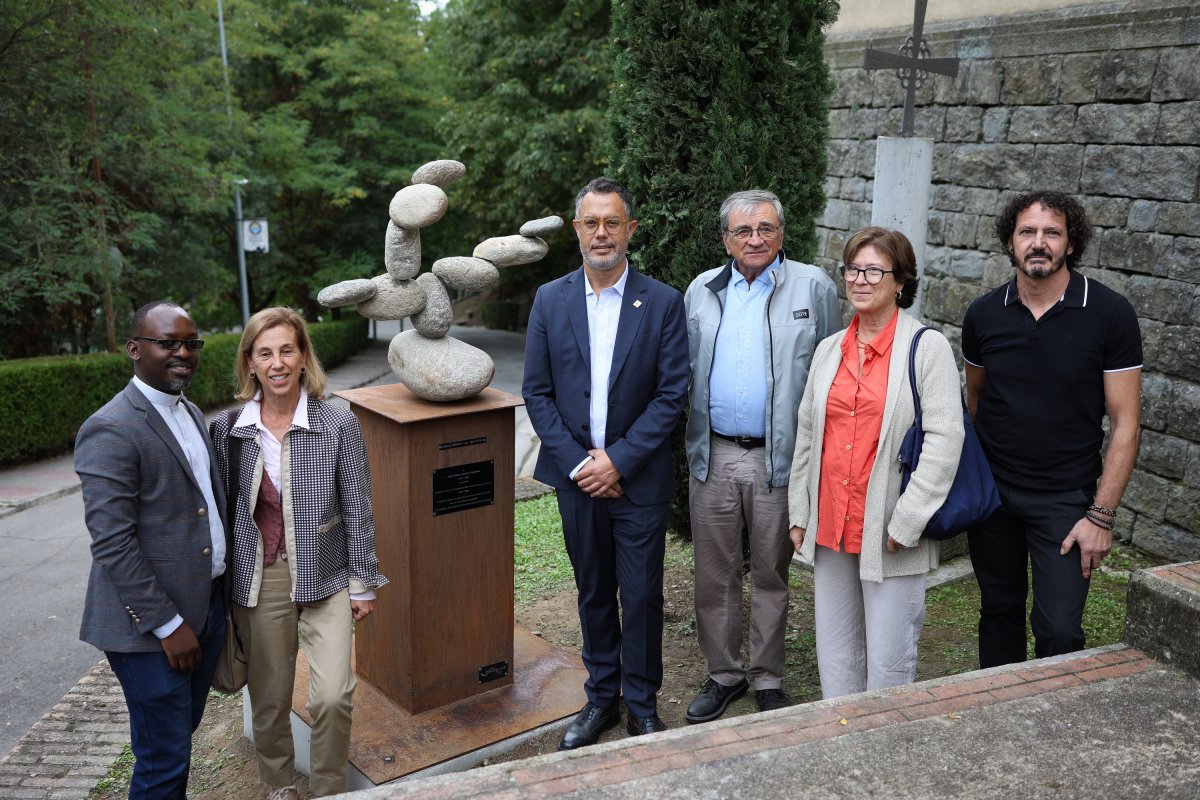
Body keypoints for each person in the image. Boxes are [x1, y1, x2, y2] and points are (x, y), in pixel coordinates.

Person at [523, 177, 690, 749]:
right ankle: (602, 699)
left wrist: (616, 462)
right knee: (593, 589)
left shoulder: (663, 302)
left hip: (637, 481)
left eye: (612, 222)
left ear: (630, 230)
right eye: (591, 223)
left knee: (641, 596)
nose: (601, 233)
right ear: (577, 230)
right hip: (577, 482)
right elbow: (537, 394)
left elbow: (672, 395)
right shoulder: (550, 299)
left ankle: (642, 706)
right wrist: (581, 466)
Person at [209, 307, 387, 799]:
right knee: (268, 700)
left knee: (332, 695)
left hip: (326, 575)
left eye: (287, 349)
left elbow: (358, 505)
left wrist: (363, 581)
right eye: (264, 353)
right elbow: (220, 513)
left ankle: (329, 789)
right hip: (259, 578)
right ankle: (280, 785)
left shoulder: (336, 421)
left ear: (304, 355)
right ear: (249, 362)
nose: (277, 362)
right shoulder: (228, 431)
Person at [962, 190, 1142, 668]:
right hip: (994, 500)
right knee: (998, 611)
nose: (1038, 243)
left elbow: (1126, 423)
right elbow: (976, 401)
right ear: (1010, 241)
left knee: (1060, 630)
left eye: (1051, 232)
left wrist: (1101, 517)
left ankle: (1054, 729)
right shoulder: (983, 314)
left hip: (1066, 500)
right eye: (1027, 232)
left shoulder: (1110, 314)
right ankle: (999, 711)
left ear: (1071, 242)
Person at [682, 189, 841, 722]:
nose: (756, 239)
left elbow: (833, 372)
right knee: (715, 574)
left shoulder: (814, 287)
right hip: (716, 456)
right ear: (725, 238)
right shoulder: (701, 290)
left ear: (781, 233)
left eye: (766, 228)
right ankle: (724, 674)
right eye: (744, 230)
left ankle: (768, 676)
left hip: (781, 462)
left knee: (773, 574)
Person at [788, 228, 964, 698]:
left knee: (889, 661)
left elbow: (945, 441)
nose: (860, 279)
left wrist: (906, 521)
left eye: (874, 271)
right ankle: (841, 742)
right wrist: (800, 512)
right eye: (852, 268)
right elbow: (808, 433)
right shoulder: (829, 350)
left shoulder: (926, 348)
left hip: (889, 532)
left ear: (901, 281)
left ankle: (883, 748)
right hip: (831, 526)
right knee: (837, 651)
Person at [76, 300, 228, 799]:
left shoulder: (187, 411)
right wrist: (168, 625)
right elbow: (113, 543)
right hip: (153, 632)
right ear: (135, 349)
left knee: (174, 745)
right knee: (162, 761)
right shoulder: (111, 427)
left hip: (204, 611)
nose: (183, 352)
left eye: (191, 343)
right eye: (169, 343)